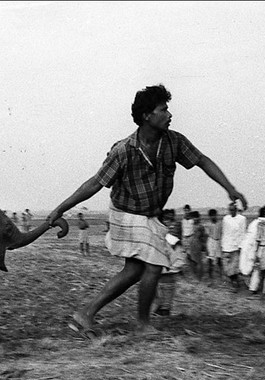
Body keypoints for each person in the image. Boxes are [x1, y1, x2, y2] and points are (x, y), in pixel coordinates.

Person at [47, 84, 247, 337]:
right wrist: (61, 208)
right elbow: (95, 183)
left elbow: (202, 161)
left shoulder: (174, 142)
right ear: (146, 116)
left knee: (134, 270)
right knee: (153, 264)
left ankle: (85, 314)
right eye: (163, 109)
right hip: (125, 213)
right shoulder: (124, 150)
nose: (170, 114)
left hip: (150, 216)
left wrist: (230, 188)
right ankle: (142, 325)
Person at [153, 209, 185, 316]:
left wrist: (169, 268)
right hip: (154, 277)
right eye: (165, 219)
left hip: (167, 276)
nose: (168, 223)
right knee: (155, 305)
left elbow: (179, 259)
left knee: (165, 306)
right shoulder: (154, 238)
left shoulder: (173, 241)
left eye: (171, 220)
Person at [221, 202, 247, 292]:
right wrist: (223, 244)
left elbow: (242, 233)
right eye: (230, 210)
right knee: (226, 267)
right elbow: (224, 232)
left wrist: (241, 246)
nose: (231, 211)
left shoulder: (242, 219)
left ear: (236, 210)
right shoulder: (225, 219)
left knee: (233, 267)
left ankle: (235, 284)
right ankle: (234, 281)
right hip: (226, 245)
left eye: (233, 210)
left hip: (236, 246)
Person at [188, 211, 207, 281]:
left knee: (198, 261)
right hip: (192, 243)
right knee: (192, 260)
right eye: (193, 218)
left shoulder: (200, 226)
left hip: (197, 243)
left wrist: (203, 245)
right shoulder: (192, 225)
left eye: (196, 217)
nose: (195, 219)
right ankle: (195, 276)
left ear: (198, 218)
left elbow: (203, 236)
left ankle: (199, 278)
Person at [204, 209, 223, 280]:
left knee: (219, 259)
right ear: (209, 217)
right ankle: (210, 276)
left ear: (216, 215)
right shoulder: (208, 224)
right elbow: (206, 236)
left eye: (214, 215)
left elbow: (222, 233)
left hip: (218, 241)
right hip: (211, 241)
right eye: (211, 216)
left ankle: (221, 275)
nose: (213, 217)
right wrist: (206, 248)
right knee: (210, 260)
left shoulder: (220, 224)